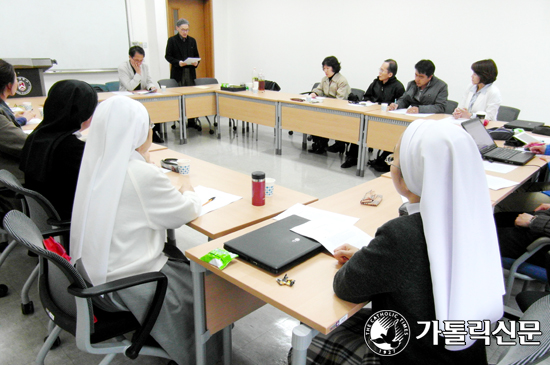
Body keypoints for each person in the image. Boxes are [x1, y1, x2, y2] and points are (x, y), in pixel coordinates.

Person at [302, 120, 504, 364]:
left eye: (393, 162)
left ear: (410, 178)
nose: (392, 168)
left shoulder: (402, 234)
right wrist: (372, 257)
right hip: (461, 354)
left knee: (309, 341)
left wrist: (371, 257)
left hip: (412, 355)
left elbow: (346, 287)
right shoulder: (473, 217)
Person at [70, 96, 221, 365]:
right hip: (131, 282)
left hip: (95, 273)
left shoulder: (97, 162)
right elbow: (185, 212)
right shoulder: (139, 174)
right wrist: (188, 187)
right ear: (139, 132)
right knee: (209, 294)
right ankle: (203, 357)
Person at [19, 80, 97, 220]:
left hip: (45, 213)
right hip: (70, 218)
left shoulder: (37, 135)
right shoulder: (71, 149)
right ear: (82, 112)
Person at [341, 59, 405, 169]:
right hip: (370, 116)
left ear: (390, 74)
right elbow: (366, 97)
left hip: (387, 121)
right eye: (380, 69)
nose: (379, 72)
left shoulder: (398, 87)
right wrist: (368, 101)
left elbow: (400, 106)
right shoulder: (375, 83)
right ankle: (352, 157)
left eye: (382, 70)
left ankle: (384, 159)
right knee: (359, 128)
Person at [118, 46, 163, 143]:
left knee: (156, 106)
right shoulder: (123, 67)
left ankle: (153, 131)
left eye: (141, 60)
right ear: (130, 57)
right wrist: (138, 73)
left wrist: (151, 87)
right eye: (136, 60)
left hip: (142, 96)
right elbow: (129, 87)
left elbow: (148, 81)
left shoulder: (144, 67)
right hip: (128, 98)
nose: (139, 63)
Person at [308, 56, 351, 155]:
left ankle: (327, 144)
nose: (325, 71)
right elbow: (319, 89)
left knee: (325, 119)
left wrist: (326, 101)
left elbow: (340, 99)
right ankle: (319, 143)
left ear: (334, 67)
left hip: (339, 111)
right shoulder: (324, 79)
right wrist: (314, 93)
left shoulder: (342, 81)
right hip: (326, 108)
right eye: (324, 68)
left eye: (327, 68)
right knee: (315, 118)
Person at [165, 18, 200, 130]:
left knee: (191, 97)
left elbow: (196, 56)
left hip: (190, 72)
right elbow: (168, 56)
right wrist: (178, 63)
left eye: (187, 30)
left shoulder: (192, 41)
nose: (185, 32)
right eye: (183, 29)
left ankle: (191, 121)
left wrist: (196, 63)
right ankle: (179, 119)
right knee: (179, 97)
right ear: (177, 28)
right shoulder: (172, 40)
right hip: (178, 72)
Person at [0, 60, 30, 184]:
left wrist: (22, 119)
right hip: (10, 182)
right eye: (16, 78)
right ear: (8, 85)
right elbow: (25, 145)